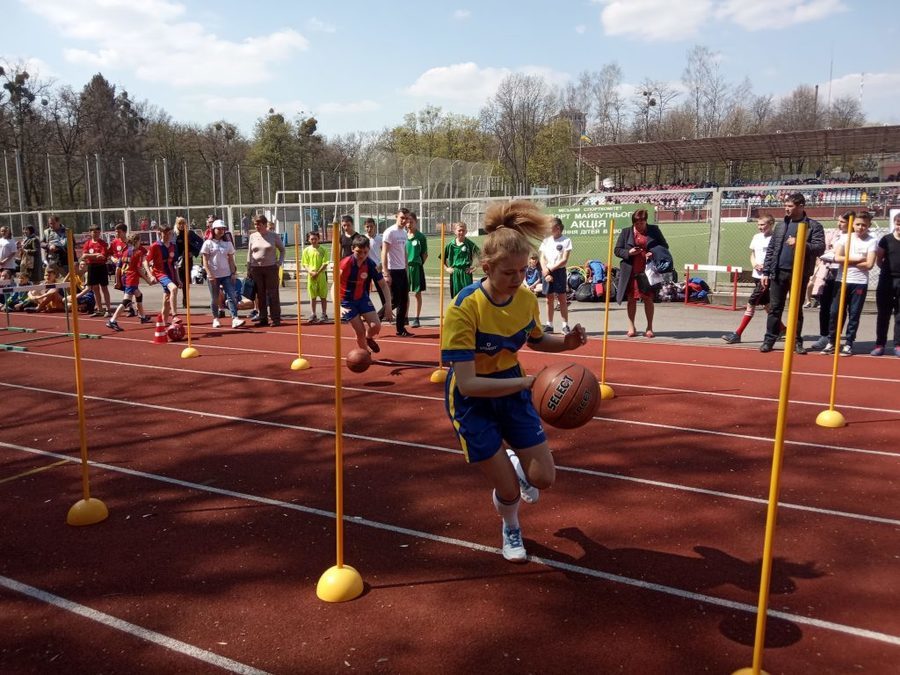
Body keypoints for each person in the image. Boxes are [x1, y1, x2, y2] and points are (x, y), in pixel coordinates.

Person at [441, 200, 588, 563]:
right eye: (509, 272)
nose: (518, 278)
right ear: (487, 267)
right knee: (506, 489)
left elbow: (537, 340)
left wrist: (565, 343)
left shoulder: (525, 299)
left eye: (524, 270)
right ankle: (511, 526)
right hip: (472, 399)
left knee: (544, 480)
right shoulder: (464, 308)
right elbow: (470, 384)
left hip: (510, 384)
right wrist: (525, 384)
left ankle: (517, 464)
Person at [759, 192, 826, 354]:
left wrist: (800, 243)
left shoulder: (814, 226)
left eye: (790, 206)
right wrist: (766, 271)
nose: (786, 209)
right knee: (775, 308)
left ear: (801, 206)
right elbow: (772, 250)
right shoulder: (781, 226)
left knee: (796, 309)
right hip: (778, 272)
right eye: (785, 206)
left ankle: (796, 341)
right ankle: (769, 339)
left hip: (799, 274)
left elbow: (819, 248)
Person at [820, 211, 877, 356]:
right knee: (835, 312)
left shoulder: (872, 240)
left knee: (854, 314)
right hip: (842, 280)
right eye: (858, 224)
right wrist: (858, 259)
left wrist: (848, 261)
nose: (860, 228)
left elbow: (869, 264)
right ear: (853, 224)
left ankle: (849, 343)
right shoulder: (845, 238)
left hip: (859, 282)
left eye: (864, 225)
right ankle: (832, 342)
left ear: (868, 225)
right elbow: (837, 257)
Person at [614, 209, 669, 338]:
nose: (639, 226)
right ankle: (631, 326)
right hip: (631, 270)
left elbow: (664, 246)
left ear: (646, 221)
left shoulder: (654, 230)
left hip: (648, 270)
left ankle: (649, 327)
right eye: (637, 223)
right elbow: (617, 250)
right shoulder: (626, 232)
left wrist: (653, 252)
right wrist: (629, 252)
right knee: (631, 299)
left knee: (648, 298)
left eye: (642, 223)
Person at [722, 215, 776, 344]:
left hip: (766, 277)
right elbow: (752, 254)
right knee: (767, 305)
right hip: (757, 275)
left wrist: (767, 267)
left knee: (751, 302)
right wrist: (754, 264)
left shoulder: (774, 239)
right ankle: (782, 329)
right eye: (759, 225)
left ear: (771, 224)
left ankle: (738, 334)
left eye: (763, 225)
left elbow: (775, 257)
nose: (760, 227)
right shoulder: (756, 237)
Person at [339, 233, 393, 353]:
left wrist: (388, 305)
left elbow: (383, 285)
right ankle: (365, 354)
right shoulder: (345, 264)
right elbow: (334, 287)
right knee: (360, 331)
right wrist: (339, 306)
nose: (362, 255)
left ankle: (368, 338)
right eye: (359, 252)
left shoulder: (371, 264)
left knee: (376, 326)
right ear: (353, 249)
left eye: (365, 252)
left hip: (362, 298)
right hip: (347, 302)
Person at [810, 212, 852, 352]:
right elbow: (824, 249)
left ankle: (835, 337)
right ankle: (824, 335)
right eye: (838, 221)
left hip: (844, 274)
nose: (839, 224)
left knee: (838, 309)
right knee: (825, 306)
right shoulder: (834, 234)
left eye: (842, 222)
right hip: (828, 273)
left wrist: (835, 255)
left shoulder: (854, 237)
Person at [201, 220, 245, 329]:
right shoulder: (208, 243)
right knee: (215, 298)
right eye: (219, 229)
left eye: (223, 229)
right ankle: (215, 318)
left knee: (232, 296)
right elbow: (205, 261)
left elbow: (231, 260)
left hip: (226, 274)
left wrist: (233, 273)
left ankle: (235, 318)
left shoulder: (228, 244)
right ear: (213, 230)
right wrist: (209, 274)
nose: (221, 231)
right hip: (214, 276)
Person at [106, 233, 154, 331]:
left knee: (139, 295)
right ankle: (112, 320)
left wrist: (118, 280)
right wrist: (148, 279)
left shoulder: (125, 252)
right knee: (126, 301)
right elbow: (139, 269)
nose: (140, 243)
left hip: (125, 277)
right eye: (140, 241)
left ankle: (142, 316)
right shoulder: (138, 252)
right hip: (131, 278)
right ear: (136, 242)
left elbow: (118, 268)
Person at [247, 214, 285, 327]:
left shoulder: (273, 236)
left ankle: (276, 318)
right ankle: (263, 317)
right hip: (256, 269)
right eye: (255, 224)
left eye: (259, 224)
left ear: (264, 224)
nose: (257, 226)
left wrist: (279, 263)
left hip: (271, 268)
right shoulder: (253, 236)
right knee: (260, 294)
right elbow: (249, 252)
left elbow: (282, 250)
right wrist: (249, 267)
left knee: (272, 293)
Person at [871, 212, 900, 356]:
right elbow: (879, 259)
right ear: (895, 224)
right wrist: (888, 272)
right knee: (883, 314)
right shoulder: (886, 240)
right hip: (886, 281)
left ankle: (898, 344)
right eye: (898, 223)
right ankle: (880, 344)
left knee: (899, 315)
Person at [382, 207, 413, 336]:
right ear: (396, 217)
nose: (404, 220)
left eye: (406, 218)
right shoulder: (390, 232)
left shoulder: (404, 233)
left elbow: (404, 252)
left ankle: (400, 329)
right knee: (395, 300)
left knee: (404, 300)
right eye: (402, 218)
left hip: (402, 271)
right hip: (392, 270)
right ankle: (375, 320)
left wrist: (406, 269)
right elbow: (384, 252)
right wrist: (386, 272)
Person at [539, 217, 573, 334]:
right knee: (549, 299)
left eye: (550, 228)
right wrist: (545, 270)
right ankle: (549, 325)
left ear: (558, 228)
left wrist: (550, 269)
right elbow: (542, 257)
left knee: (562, 299)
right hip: (546, 271)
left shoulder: (566, 240)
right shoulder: (546, 240)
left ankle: (565, 325)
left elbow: (564, 260)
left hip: (559, 272)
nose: (548, 230)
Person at [146, 222, 180, 323]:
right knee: (173, 289)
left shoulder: (173, 246)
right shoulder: (155, 246)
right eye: (165, 233)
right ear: (159, 233)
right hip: (160, 273)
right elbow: (145, 261)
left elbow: (175, 263)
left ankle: (162, 323)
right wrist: (150, 275)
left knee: (166, 300)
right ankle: (174, 315)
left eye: (169, 233)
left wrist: (178, 279)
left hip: (171, 273)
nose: (167, 236)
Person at [442, 221, 480, 298]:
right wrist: (447, 269)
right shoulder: (450, 245)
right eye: (459, 230)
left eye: (463, 230)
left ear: (466, 231)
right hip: (455, 273)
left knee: (467, 297)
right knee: (456, 297)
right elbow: (442, 260)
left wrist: (475, 267)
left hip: (466, 273)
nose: (461, 232)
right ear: (455, 231)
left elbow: (482, 256)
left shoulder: (470, 244)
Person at [81, 224, 112, 317]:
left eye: (98, 232)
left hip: (101, 267)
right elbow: (84, 255)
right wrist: (95, 255)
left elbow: (102, 256)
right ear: (90, 233)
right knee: (95, 289)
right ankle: (100, 309)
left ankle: (108, 309)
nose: (96, 234)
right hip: (91, 267)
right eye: (94, 232)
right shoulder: (88, 243)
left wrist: (93, 255)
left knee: (104, 288)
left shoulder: (102, 243)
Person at [175, 217, 204, 309]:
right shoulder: (174, 234)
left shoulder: (189, 233)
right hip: (175, 261)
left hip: (186, 261)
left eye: (183, 223)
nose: (181, 225)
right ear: (176, 224)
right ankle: (172, 301)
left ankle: (185, 300)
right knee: (174, 281)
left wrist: (194, 252)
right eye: (179, 223)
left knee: (185, 281)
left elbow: (200, 242)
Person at [301, 230, 329, 324]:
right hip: (311, 276)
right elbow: (304, 263)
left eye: (315, 239)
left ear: (318, 239)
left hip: (321, 275)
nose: (314, 241)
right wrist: (310, 272)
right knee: (312, 296)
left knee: (323, 296)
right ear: (309, 240)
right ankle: (313, 313)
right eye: (312, 239)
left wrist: (318, 272)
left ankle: (324, 314)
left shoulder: (323, 250)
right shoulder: (306, 250)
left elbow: (325, 263)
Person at [406, 212, 428, 327]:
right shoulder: (403, 235)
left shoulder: (420, 237)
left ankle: (417, 318)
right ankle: (405, 316)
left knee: (417, 293)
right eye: (407, 222)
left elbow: (425, 254)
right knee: (404, 293)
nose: (409, 224)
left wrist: (419, 263)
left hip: (416, 267)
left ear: (416, 222)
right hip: (404, 268)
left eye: (411, 222)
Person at [363, 218, 386, 311]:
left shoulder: (380, 239)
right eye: (367, 227)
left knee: (382, 290)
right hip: (365, 268)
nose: (369, 229)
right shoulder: (363, 239)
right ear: (364, 227)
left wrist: (381, 264)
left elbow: (384, 252)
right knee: (365, 290)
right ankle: (365, 310)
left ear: (375, 227)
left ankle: (385, 310)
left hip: (377, 268)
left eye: (371, 226)